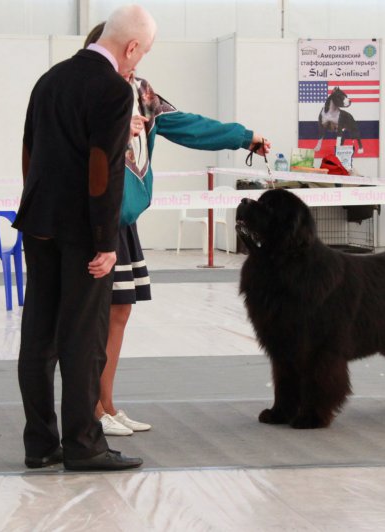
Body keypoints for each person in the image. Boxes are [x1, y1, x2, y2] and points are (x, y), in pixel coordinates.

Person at [83, 22, 271, 437]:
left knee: (119, 312)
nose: (135, 61)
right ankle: (91, 408)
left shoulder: (141, 92)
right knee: (96, 318)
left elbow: (187, 125)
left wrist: (243, 137)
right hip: (97, 219)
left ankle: (107, 404)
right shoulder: (91, 90)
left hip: (124, 221)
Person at [13, 5, 157, 471]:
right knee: (83, 338)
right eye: (142, 52)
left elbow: (29, 151)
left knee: (39, 336)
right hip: (82, 233)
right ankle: (83, 444)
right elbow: (103, 169)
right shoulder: (113, 89)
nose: (139, 61)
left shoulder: (49, 79)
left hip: (38, 223)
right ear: (131, 47)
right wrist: (105, 241)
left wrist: (37, 207)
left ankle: (40, 444)